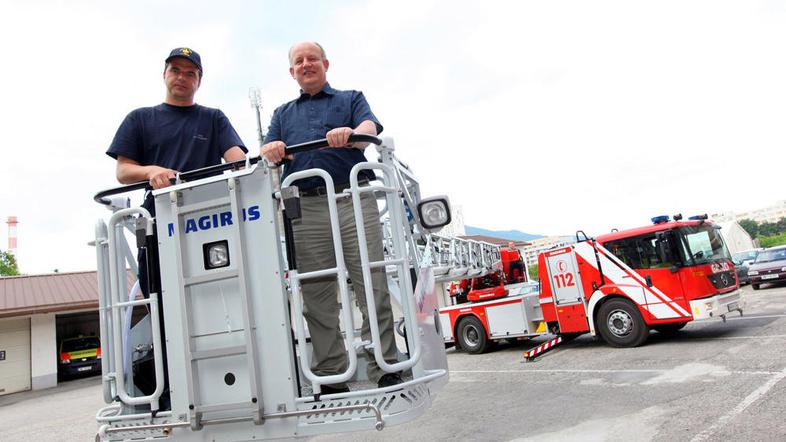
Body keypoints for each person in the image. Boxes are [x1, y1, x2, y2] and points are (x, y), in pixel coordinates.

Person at [261, 41, 402, 393]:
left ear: (325, 64)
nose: (306, 64)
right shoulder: (281, 114)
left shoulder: (351, 99)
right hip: (306, 207)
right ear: (292, 71)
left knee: (371, 280)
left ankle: (384, 363)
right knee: (316, 290)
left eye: (312, 59)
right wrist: (272, 149)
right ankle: (331, 372)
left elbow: (369, 128)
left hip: (352, 197)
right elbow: (266, 151)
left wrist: (352, 135)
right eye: (299, 61)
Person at [106, 47, 247, 295]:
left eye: (190, 73)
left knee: (222, 285)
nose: (182, 77)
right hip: (160, 217)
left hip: (210, 216)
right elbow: (123, 171)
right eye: (176, 70)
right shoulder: (139, 119)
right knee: (159, 289)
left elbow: (238, 160)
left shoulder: (214, 119)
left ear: (199, 81)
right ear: (164, 74)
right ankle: (164, 334)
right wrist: (152, 172)